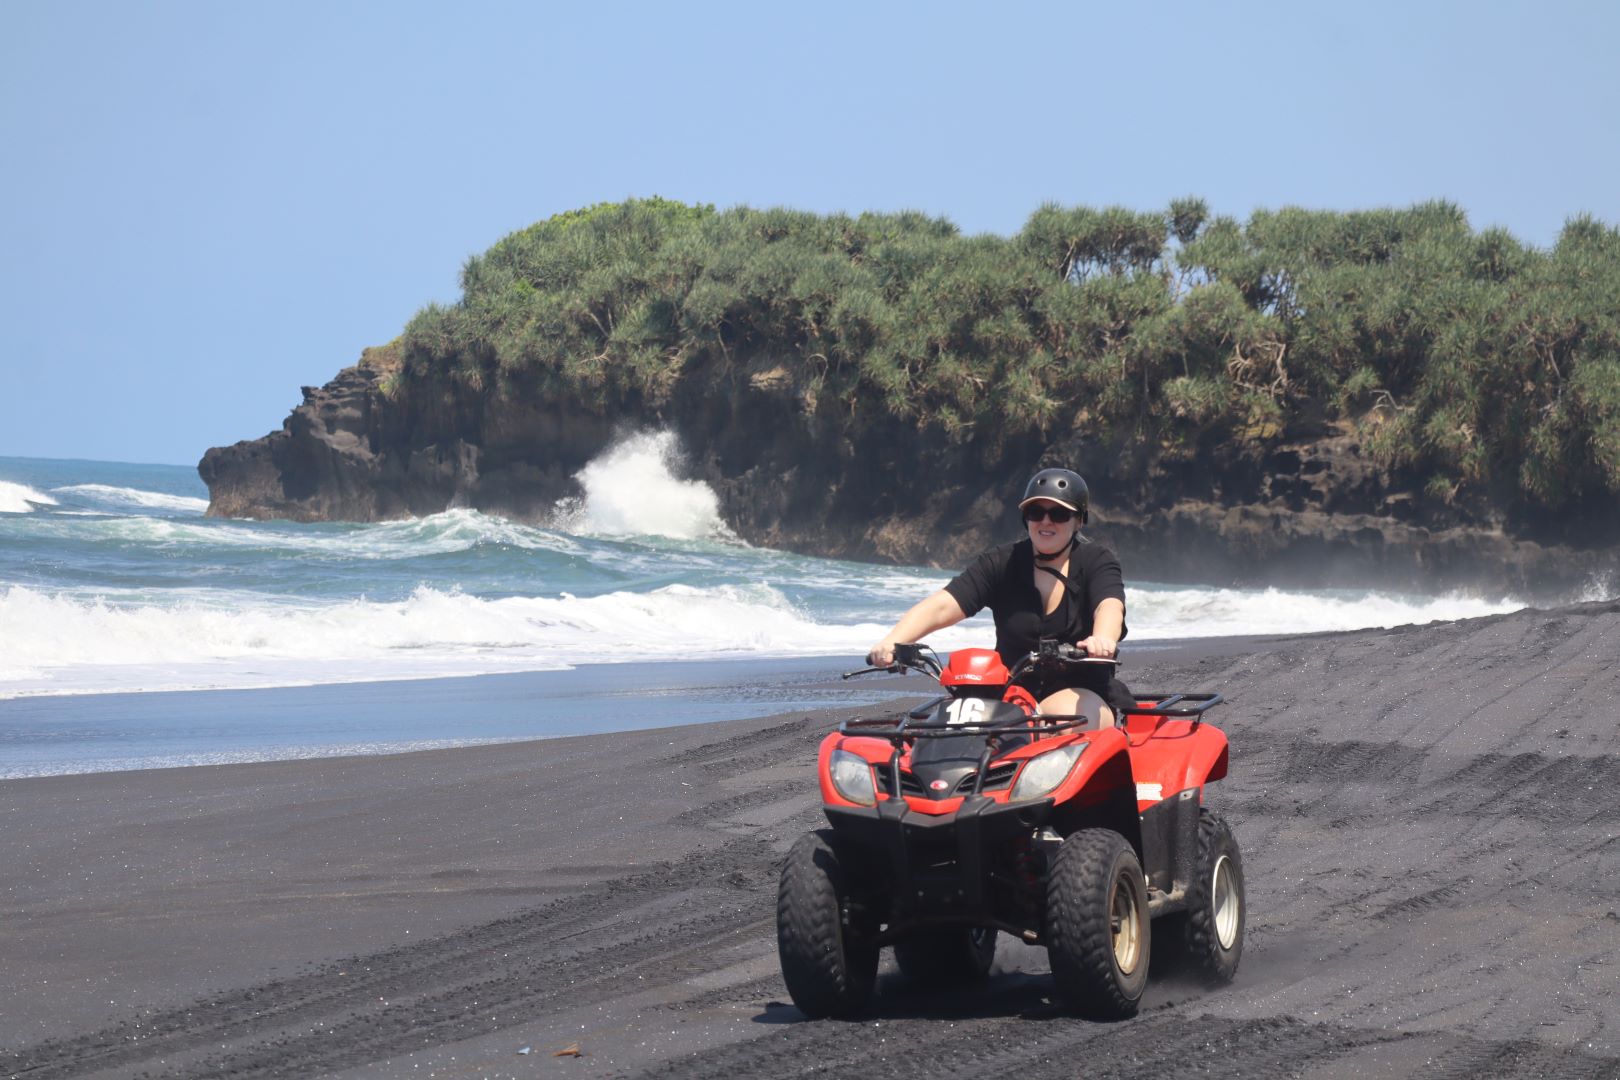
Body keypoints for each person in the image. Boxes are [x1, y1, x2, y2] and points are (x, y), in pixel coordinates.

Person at [867, 467, 1131, 729]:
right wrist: (893, 641)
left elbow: (1109, 606)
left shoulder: (1097, 560)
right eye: (1036, 512)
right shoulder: (1001, 562)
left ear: (1079, 521)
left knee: (1062, 721)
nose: (1046, 521)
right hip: (1009, 694)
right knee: (952, 728)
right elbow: (943, 605)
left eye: (1059, 514)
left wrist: (1103, 639)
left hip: (1081, 691)